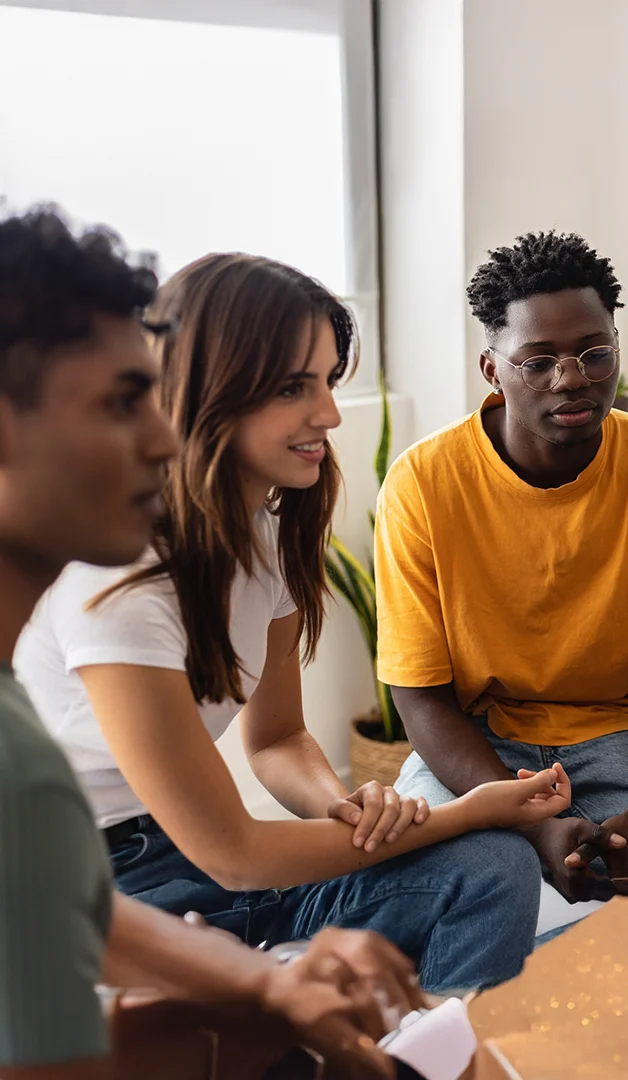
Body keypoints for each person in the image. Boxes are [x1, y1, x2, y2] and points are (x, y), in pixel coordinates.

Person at [14, 248, 573, 997]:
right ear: (211, 392)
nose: (330, 414)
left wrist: (346, 806)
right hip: (105, 889)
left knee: (492, 872)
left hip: (197, 866)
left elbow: (275, 739)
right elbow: (234, 855)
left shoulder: (268, 534)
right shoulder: (120, 573)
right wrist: (461, 815)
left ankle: (436, 1052)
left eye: (328, 381)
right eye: (292, 387)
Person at [0, 206, 432, 1079]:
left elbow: (75, 909)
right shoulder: (28, 783)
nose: (164, 437)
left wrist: (264, 991)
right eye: (127, 403)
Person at [377, 230, 628, 911]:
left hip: (623, 743)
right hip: (473, 750)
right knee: (431, 902)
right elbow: (420, 698)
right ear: (491, 369)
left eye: (595, 353)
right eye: (538, 361)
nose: (573, 378)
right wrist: (535, 822)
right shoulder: (422, 483)